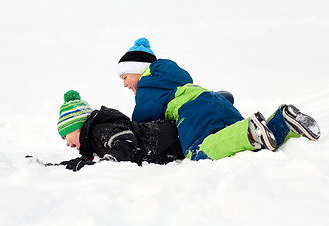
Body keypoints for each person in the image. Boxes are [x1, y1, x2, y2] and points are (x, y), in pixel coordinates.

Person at [117, 37, 321, 161]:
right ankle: (283, 121)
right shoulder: (171, 80)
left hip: (192, 111)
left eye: (125, 77)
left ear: (139, 70)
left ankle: (250, 131)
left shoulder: (147, 85)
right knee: (247, 142)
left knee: (198, 151)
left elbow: (144, 120)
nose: (125, 84)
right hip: (217, 100)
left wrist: (130, 130)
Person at [56, 90, 184, 171]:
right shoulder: (92, 142)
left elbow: (125, 140)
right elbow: (85, 163)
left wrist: (109, 161)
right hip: (166, 147)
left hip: (171, 135)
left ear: (76, 127)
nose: (67, 143)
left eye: (65, 135)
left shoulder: (98, 130)